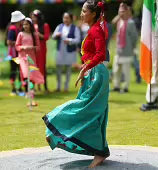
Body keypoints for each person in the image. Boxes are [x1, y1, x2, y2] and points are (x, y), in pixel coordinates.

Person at [42, 0, 110, 168]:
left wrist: (84, 68)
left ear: (93, 14)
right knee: (92, 111)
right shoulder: (91, 29)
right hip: (91, 73)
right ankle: (99, 151)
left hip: (97, 74)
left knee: (86, 109)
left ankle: (55, 122)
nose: (81, 14)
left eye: (84, 11)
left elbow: (101, 55)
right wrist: (84, 69)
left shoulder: (97, 31)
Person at [15, 18, 44, 106]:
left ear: (30, 25)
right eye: (24, 25)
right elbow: (17, 46)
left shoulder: (34, 35)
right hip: (23, 58)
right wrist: (23, 48)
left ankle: (31, 91)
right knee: (25, 74)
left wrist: (32, 48)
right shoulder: (20, 34)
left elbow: (38, 47)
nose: (25, 26)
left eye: (27, 24)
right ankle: (26, 91)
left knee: (32, 74)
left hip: (31, 58)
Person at [112, 2, 138, 93]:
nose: (121, 13)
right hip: (119, 50)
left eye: (123, 11)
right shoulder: (120, 21)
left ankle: (126, 87)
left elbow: (134, 37)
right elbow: (113, 22)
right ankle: (116, 86)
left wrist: (134, 48)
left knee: (126, 70)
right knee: (116, 70)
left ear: (127, 12)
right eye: (120, 11)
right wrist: (119, 15)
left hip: (127, 50)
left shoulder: (130, 22)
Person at [52, 12, 81, 92]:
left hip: (70, 52)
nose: (65, 19)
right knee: (59, 69)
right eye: (64, 18)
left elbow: (78, 39)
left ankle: (66, 87)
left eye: (67, 18)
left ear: (71, 19)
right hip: (60, 51)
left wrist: (69, 40)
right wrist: (56, 35)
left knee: (68, 69)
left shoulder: (75, 28)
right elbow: (53, 36)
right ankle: (58, 87)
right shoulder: (59, 26)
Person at [5, 11, 25, 96]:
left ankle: (20, 88)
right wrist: (18, 44)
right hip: (13, 54)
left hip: (19, 53)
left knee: (20, 72)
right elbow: (9, 42)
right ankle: (13, 89)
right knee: (13, 72)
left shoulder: (19, 28)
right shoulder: (12, 29)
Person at [31, 10, 50, 93]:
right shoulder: (31, 26)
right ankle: (33, 87)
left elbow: (46, 37)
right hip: (34, 49)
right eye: (32, 17)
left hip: (42, 49)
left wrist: (38, 34)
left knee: (42, 67)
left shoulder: (45, 25)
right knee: (34, 67)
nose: (33, 18)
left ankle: (45, 87)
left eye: (34, 17)